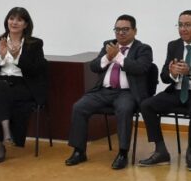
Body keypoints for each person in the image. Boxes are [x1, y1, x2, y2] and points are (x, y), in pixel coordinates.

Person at [65, 14, 154, 170]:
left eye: (125, 29)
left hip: (127, 93)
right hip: (103, 91)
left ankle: (123, 153)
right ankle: (79, 151)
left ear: (135, 31)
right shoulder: (109, 45)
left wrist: (118, 56)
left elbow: (140, 68)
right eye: (117, 29)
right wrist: (107, 57)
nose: (121, 33)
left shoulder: (143, 49)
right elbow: (94, 66)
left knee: (124, 109)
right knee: (79, 107)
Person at [138, 10, 191, 172]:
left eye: (188, 25)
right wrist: (172, 74)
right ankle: (161, 151)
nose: (183, 29)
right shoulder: (173, 45)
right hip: (176, 91)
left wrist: (190, 72)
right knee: (146, 105)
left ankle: (190, 152)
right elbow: (164, 77)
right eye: (180, 25)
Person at [0, 6, 48, 163]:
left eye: (19, 20)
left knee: (0, 96)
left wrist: (17, 57)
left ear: (26, 24)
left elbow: (36, 70)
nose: (14, 22)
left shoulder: (35, 44)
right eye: (11, 18)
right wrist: (1, 57)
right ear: (7, 21)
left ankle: (0, 143)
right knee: (0, 88)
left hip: (23, 85)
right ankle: (6, 134)